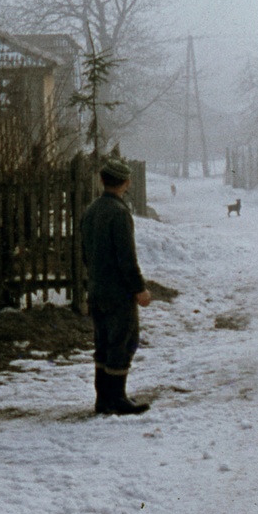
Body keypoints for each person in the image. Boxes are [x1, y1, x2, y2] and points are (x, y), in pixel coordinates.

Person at [80, 156, 152, 415]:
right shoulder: (120, 213)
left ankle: (103, 400)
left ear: (102, 181)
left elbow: (85, 254)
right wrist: (139, 289)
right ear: (126, 183)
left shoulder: (90, 211)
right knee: (124, 342)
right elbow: (126, 258)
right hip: (118, 293)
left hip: (97, 289)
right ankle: (117, 399)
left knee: (103, 343)